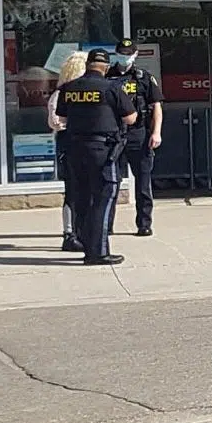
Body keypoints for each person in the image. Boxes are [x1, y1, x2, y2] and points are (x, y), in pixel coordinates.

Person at [56, 49, 136, 266]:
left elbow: (61, 116)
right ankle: (98, 252)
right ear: (107, 67)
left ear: (88, 64)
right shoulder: (111, 87)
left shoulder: (68, 88)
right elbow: (130, 118)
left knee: (82, 198)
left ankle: (85, 243)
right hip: (102, 151)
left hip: (75, 149)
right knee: (104, 197)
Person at [106, 38, 163, 236]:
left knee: (143, 183)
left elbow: (156, 106)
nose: (125, 56)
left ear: (135, 54)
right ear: (115, 54)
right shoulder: (106, 77)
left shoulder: (144, 77)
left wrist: (156, 133)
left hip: (138, 134)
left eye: (129, 53)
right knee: (110, 182)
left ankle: (144, 224)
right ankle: (107, 224)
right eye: (122, 53)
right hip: (113, 134)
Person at [47, 50, 88, 252]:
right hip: (69, 145)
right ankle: (70, 233)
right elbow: (55, 121)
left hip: (87, 145)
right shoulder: (61, 94)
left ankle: (85, 230)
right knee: (72, 191)